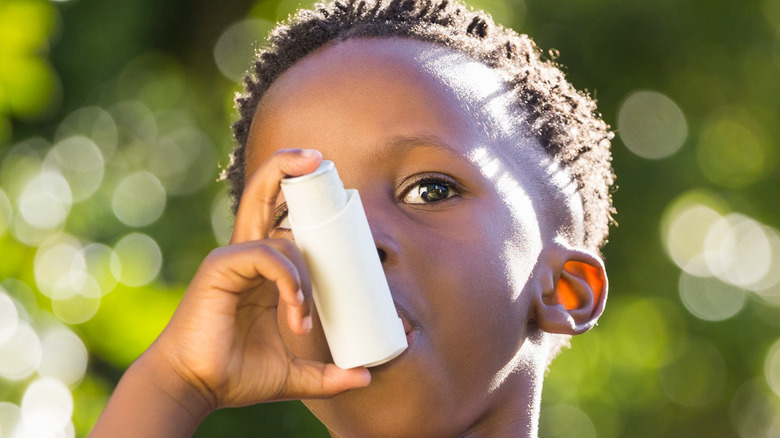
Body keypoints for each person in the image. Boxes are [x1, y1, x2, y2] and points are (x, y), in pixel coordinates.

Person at [91, 0, 614, 436]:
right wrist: (178, 381)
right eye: (299, 217)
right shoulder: (182, 382)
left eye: (429, 190)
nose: (357, 242)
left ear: (565, 290)